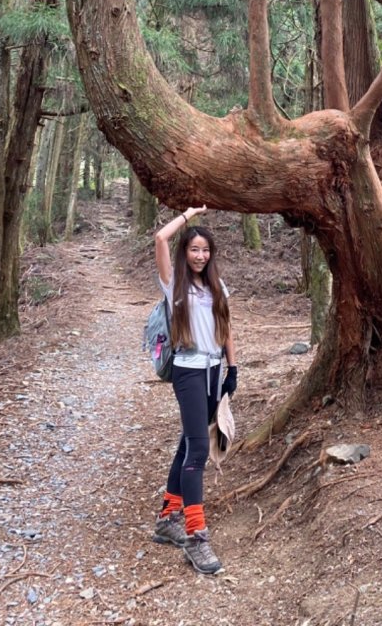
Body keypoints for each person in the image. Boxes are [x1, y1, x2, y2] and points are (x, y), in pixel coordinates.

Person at [152, 205, 237, 575]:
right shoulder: (174, 285)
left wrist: (232, 368)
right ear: (184, 253)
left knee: (189, 443)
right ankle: (196, 535)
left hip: (214, 369)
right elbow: (159, 238)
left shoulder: (217, 287)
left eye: (205, 250)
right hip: (187, 371)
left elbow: (227, 328)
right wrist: (189, 213)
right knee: (199, 449)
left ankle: (169, 516)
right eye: (194, 250)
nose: (200, 256)